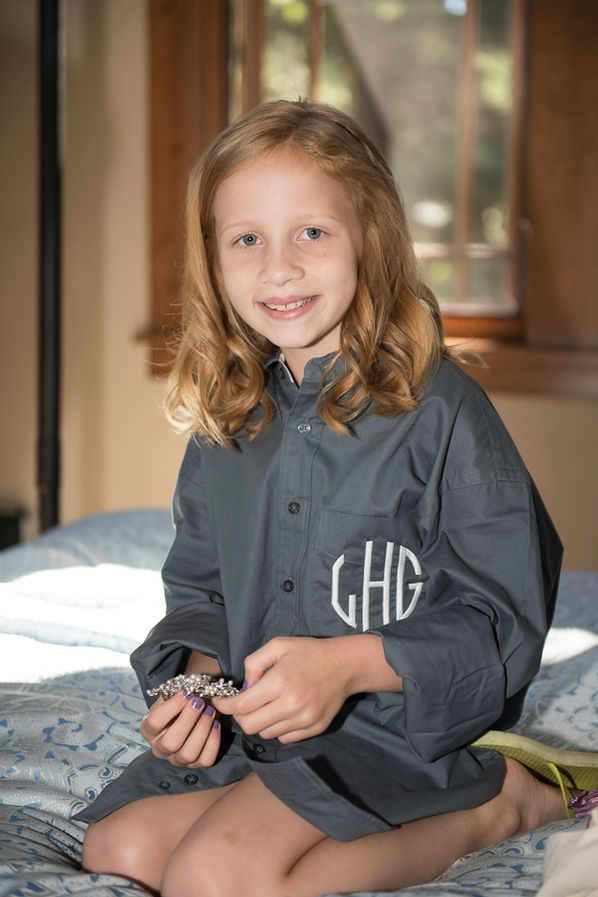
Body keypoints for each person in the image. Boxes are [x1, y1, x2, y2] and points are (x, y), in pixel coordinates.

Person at [76, 99, 597, 897]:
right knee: (119, 849)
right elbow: (201, 591)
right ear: (213, 261)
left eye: (311, 233)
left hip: (392, 735)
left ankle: (498, 807)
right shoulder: (229, 419)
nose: (277, 268)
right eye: (246, 239)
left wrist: (350, 666)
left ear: (370, 239)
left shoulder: (444, 410)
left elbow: (503, 616)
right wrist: (196, 683)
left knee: (213, 874)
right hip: (261, 735)